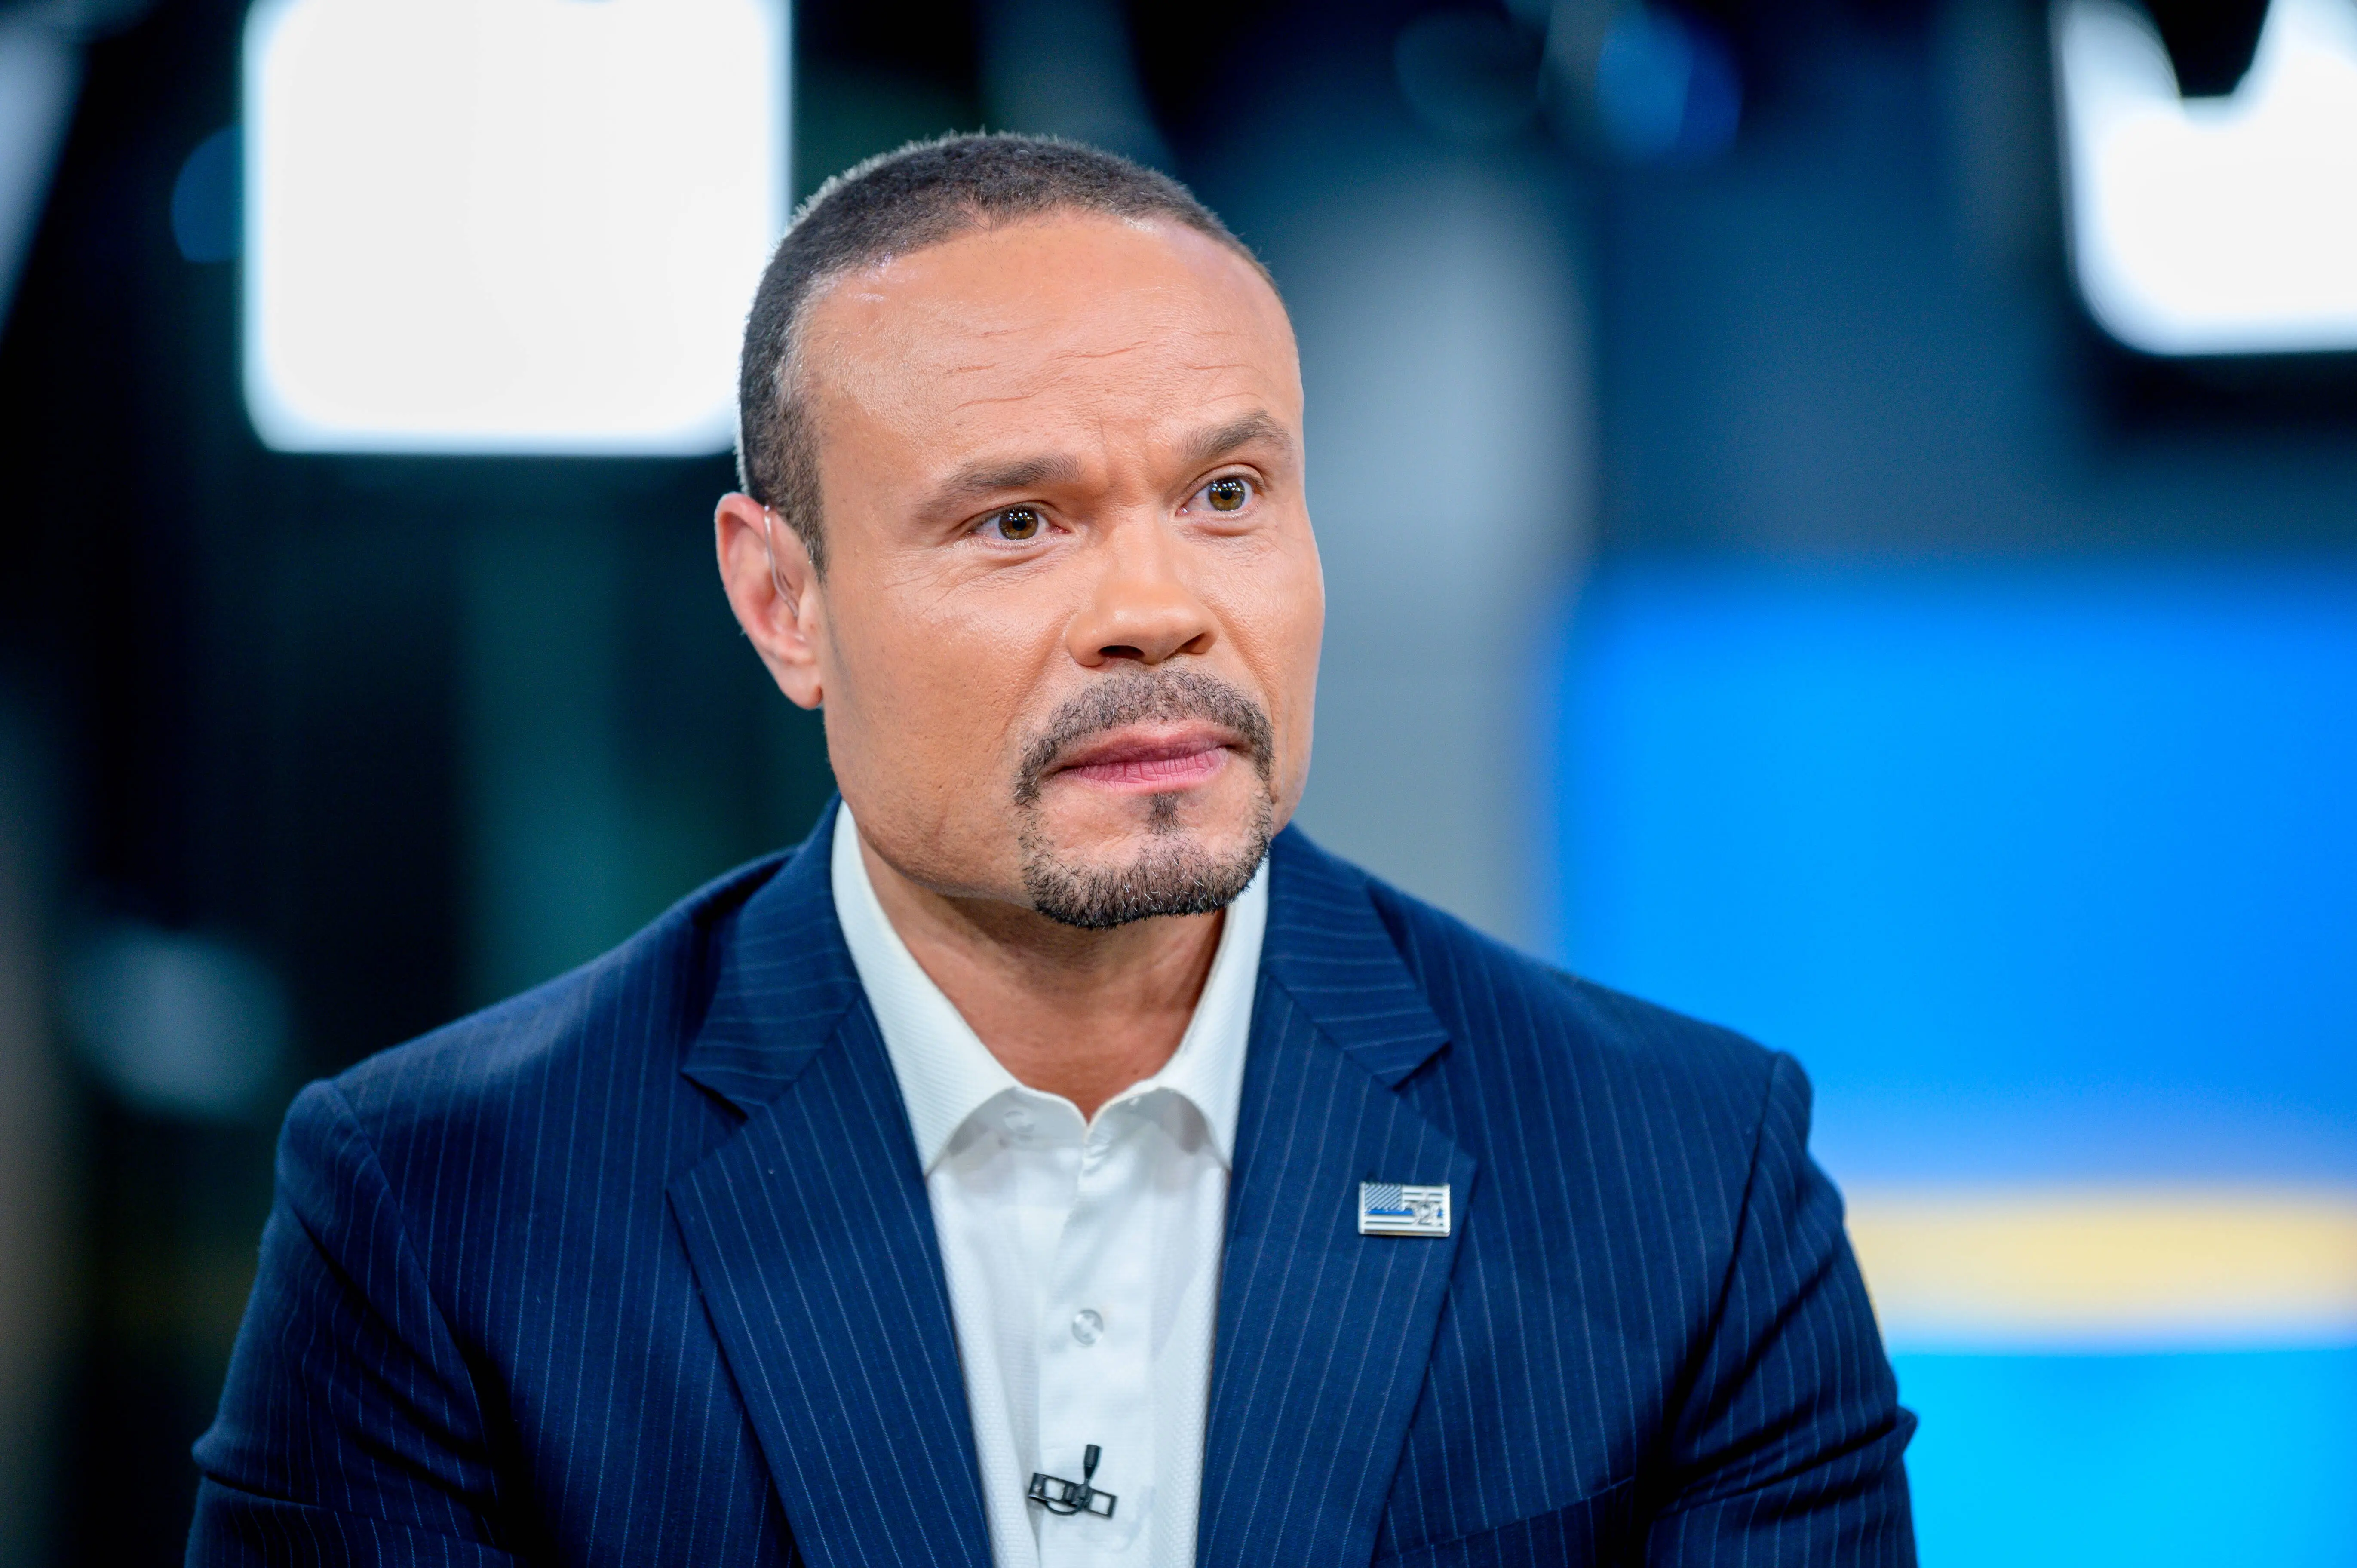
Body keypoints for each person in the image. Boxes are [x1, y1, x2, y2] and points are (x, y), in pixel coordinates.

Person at [188, 134, 1914, 1568]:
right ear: (782, 600)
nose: (1157, 606)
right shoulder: (442, 1210)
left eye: (1227, 495)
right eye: (1017, 521)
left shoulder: (1683, 1179)